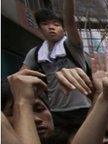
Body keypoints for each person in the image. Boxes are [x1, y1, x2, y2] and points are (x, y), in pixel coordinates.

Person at [20, 2, 92, 133]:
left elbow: (70, 21)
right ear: (39, 28)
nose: (51, 27)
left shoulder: (72, 45)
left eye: (56, 24)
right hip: (55, 111)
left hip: (82, 109)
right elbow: (20, 78)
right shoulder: (36, 53)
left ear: (64, 29)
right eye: (46, 24)